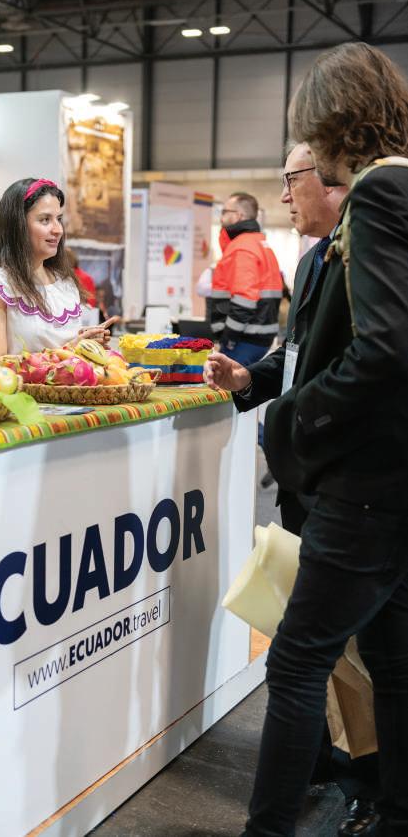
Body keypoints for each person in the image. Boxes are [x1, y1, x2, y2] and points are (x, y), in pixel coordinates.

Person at [232, 42, 408, 837]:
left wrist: (290, 419)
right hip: (389, 480)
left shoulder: (377, 191)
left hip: (366, 481)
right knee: (392, 660)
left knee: (298, 657)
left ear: (331, 121)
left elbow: (386, 347)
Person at [204, 143, 380, 836]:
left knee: (339, 652)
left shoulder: (372, 255)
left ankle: (366, 781)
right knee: (321, 650)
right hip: (309, 483)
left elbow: (367, 366)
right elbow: (298, 356)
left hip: (356, 485)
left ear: (331, 179)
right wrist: (251, 380)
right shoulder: (309, 262)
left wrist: (288, 420)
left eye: (291, 179)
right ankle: (324, 761)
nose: (283, 195)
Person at [0, 177, 111, 361]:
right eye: (45, 220)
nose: (58, 230)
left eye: (58, 219)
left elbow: (66, 351)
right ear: (17, 225)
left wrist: (87, 343)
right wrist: (69, 350)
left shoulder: (64, 282)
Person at [210, 192, 282, 366]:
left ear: (238, 216)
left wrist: (228, 339)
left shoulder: (242, 248)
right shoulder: (258, 243)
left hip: (243, 339)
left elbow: (244, 300)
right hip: (257, 336)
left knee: (226, 383)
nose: (221, 217)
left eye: (224, 211)